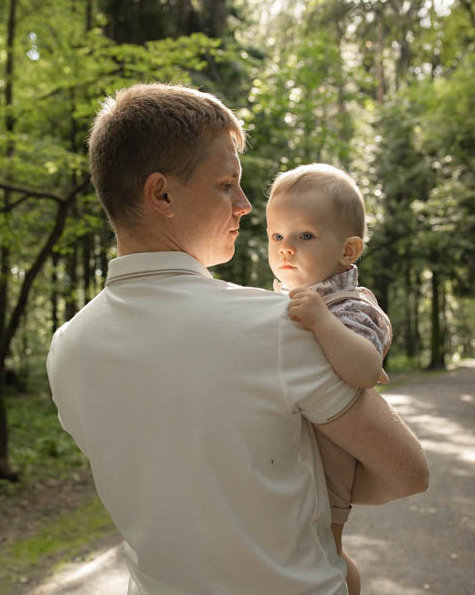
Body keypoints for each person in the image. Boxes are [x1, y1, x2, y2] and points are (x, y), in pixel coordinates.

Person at [46, 83, 428, 594]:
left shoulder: (67, 348)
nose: (246, 205)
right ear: (161, 193)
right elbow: (408, 471)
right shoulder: (279, 326)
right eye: (228, 183)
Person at [266, 163, 393, 595]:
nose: (285, 248)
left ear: (348, 250)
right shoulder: (281, 298)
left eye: (304, 236)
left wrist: (322, 323)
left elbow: (364, 371)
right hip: (287, 447)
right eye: (276, 236)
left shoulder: (352, 307)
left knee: (327, 553)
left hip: (331, 459)